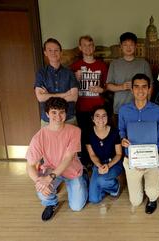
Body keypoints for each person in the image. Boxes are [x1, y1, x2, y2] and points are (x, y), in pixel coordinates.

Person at [26, 97, 88, 221]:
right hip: (51, 169)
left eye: (61, 112)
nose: (58, 116)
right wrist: (39, 181)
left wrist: (50, 178)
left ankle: (83, 177)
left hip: (72, 170)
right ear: (47, 114)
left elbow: (68, 158)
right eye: (54, 112)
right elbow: (30, 165)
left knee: (77, 207)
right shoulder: (39, 137)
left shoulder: (74, 131)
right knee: (42, 191)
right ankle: (51, 203)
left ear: (66, 113)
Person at [119, 73, 159, 214]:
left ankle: (152, 198)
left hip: (150, 159)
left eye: (144, 86)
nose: (140, 90)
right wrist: (122, 140)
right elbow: (121, 130)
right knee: (136, 201)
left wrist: (150, 157)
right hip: (131, 159)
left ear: (149, 89)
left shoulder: (157, 111)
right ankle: (140, 190)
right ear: (131, 89)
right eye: (136, 86)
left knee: (153, 192)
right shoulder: (124, 110)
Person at [70, 35, 108, 167]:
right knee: (84, 137)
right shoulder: (75, 66)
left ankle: (100, 162)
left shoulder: (102, 65)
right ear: (80, 47)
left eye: (90, 45)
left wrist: (101, 90)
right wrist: (75, 78)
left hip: (98, 108)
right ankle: (86, 164)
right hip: (82, 108)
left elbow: (107, 86)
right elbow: (69, 86)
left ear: (94, 47)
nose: (88, 48)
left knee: (99, 135)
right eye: (85, 45)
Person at [106, 32, 153, 125]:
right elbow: (108, 86)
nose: (128, 47)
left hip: (140, 109)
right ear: (121, 46)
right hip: (119, 109)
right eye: (125, 45)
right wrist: (122, 87)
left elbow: (150, 86)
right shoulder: (114, 64)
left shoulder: (143, 63)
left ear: (135, 46)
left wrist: (146, 105)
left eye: (131, 45)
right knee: (121, 138)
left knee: (139, 137)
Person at [35, 38, 79, 126]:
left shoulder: (69, 73)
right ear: (45, 53)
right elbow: (40, 98)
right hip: (48, 120)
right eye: (50, 50)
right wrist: (64, 94)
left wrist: (49, 96)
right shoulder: (41, 73)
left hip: (69, 118)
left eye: (56, 50)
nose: (53, 53)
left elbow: (74, 97)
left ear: (61, 52)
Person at [87, 105, 123, 204]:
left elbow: (119, 154)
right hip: (98, 164)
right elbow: (92, 155)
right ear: (93, 118)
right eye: (97, 116)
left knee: (102, 180)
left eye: (104, 116)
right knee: (94, 199)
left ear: (108, 117)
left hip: (114, 163)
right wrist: (99, 166)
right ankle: (104, 185)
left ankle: (115, 188)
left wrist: (108, 166)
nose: (101, 119)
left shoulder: (115, 132)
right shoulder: (88, 133)